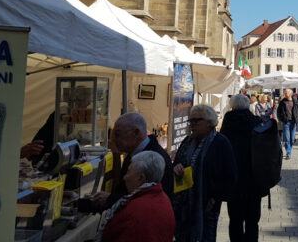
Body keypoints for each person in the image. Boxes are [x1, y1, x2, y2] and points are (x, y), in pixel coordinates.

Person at [173, 104, 237, 242]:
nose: (191, 125)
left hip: (207, 205)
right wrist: (177, 168)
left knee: (205, 236)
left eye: (196, 121)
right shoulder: (187, 141)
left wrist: (214, 199)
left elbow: (230, 175)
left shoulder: (220, 142)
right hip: (184, 205)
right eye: (190, 121)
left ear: (209, 123)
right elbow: (178, 162)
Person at [92, 112, 174, 210]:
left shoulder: (156, 159)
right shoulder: (133, 152)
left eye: (117, 134)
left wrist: (111, 199)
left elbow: (149, 203)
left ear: (136, 133)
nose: (113, 140)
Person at [96, 151, 175, 242]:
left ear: (140, 178)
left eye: (128, 172)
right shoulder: (162, 198)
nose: (125, 177)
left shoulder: (136, 211)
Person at [220, 95, 263, 242]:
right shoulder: (256, 121)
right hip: (254, 179)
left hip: (235, 179)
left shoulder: (228, 121)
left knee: (235, 220)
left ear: (232, 106)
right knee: (252, 221)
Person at [277, 89, 298, 160]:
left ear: (290, 93)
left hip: (293, 122)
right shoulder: (282, 102)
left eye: (286, 93)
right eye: (284, 93)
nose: (285, 94)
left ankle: (289, 150)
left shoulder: (295, 101)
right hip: (286, 122)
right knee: (287, 139)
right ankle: (288, 153)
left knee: (292, 139)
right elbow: (279, 112)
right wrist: (282, 119)